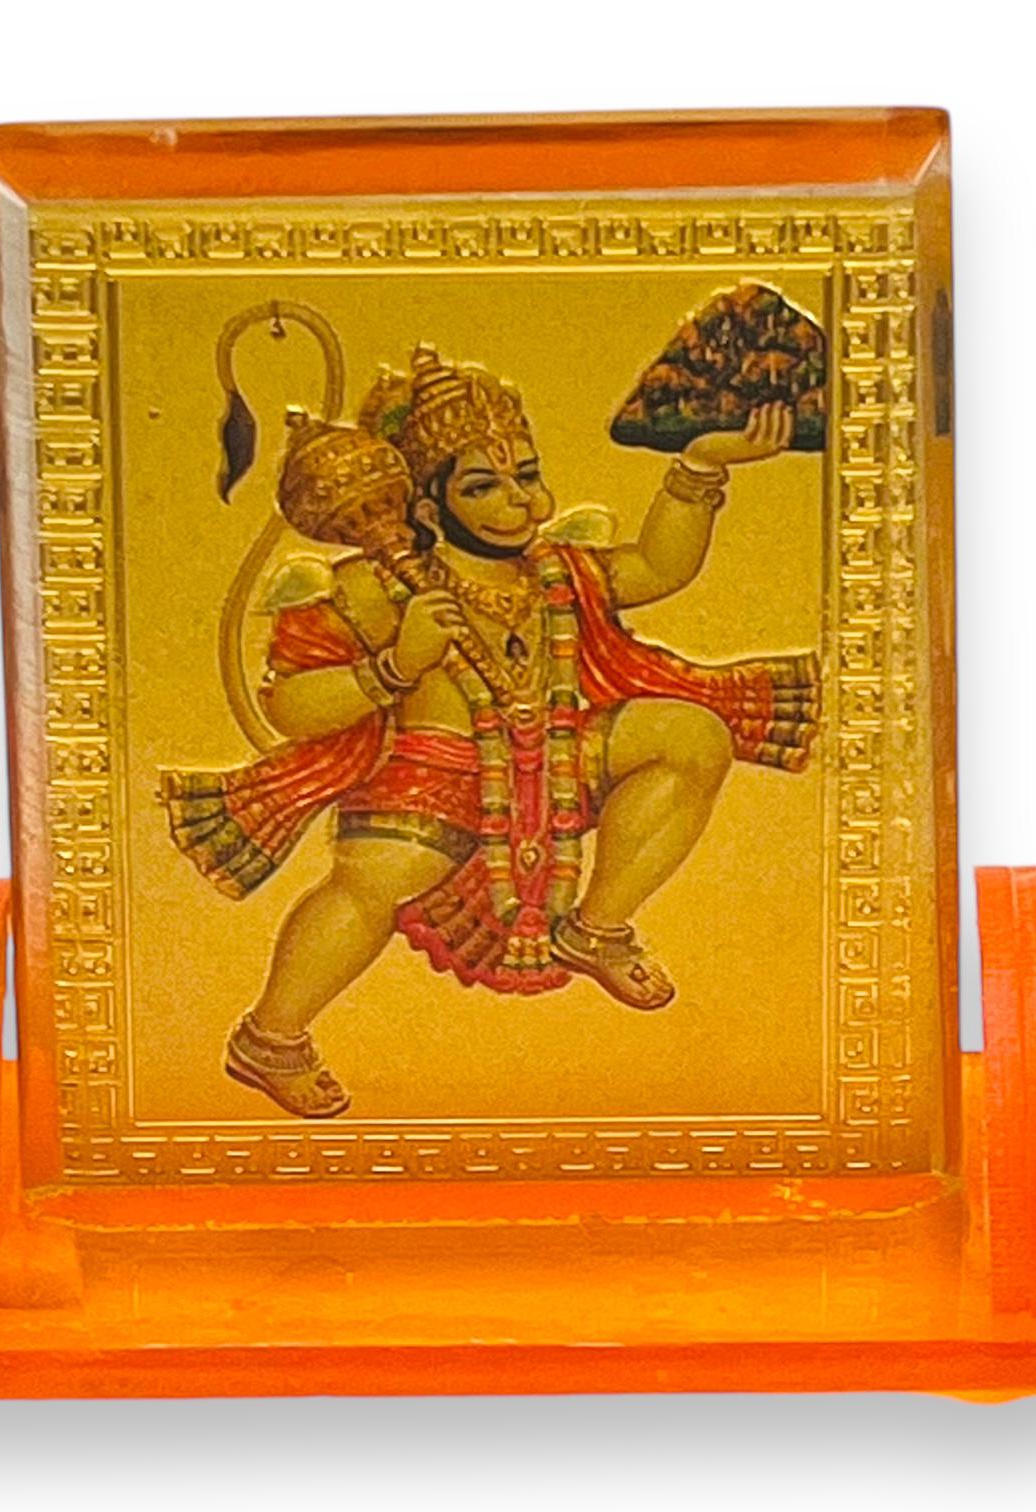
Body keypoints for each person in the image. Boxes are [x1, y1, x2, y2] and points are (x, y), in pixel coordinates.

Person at [163, 345, 818, 1117]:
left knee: (692, 735)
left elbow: (657, 567)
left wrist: (700, 466)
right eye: (483, 487)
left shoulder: (556, 571)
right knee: (372, 882)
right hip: (433, 774)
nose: (519, 503)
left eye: (526, 477)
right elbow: (292, 705)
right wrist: (395, 666)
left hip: (559, 751)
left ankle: (598, 929)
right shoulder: (375, 587)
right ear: (427, 507)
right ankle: (270, 1038)